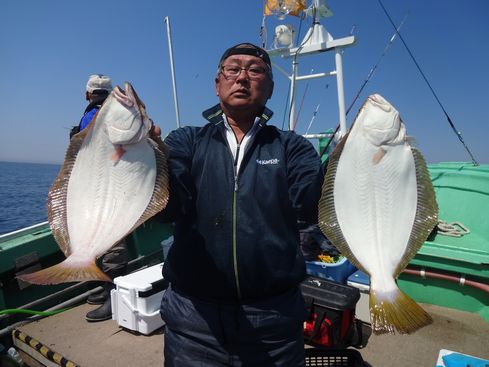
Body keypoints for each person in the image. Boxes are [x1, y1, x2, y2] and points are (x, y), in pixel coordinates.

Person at [157, 43, 324, 366]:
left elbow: (311, 205)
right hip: (193, 316)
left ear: (271, 88)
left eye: (256, 70)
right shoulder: (185, 141)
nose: (243, 77)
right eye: (233, 69)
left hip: (274, 318)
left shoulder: (292, 147)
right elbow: (168, 207)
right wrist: (150, 157)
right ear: (217, 83)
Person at [70, 74, 130, 322]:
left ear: (87, 93)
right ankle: (105, 291)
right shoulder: (110, 111)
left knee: (112, 243)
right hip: (97, 186)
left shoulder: (98, 114)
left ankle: (115, 298)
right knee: (98, 239)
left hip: (105, 188)